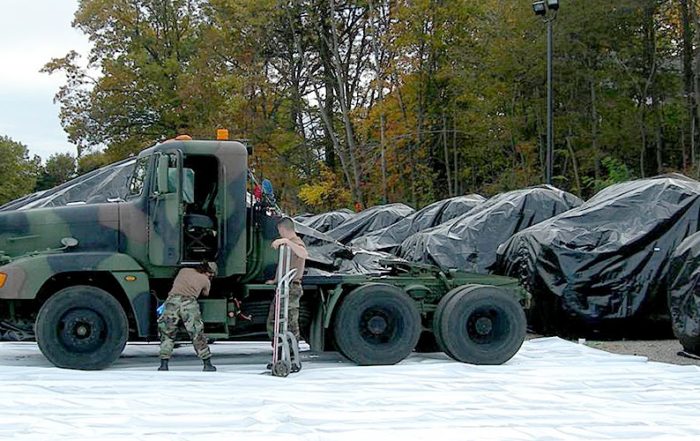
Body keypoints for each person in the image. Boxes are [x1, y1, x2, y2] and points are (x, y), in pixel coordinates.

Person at [158, 261, 218, 372]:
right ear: (210, 273)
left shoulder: (184, 270)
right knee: (196, 333)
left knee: (167, 333)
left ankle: (164, 364)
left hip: (172, 302)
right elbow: (205, 294)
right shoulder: (205, 280)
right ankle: (207, 364)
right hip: (189, 303)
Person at [266, 217, 308, 343]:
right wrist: (275, 280)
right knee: (275, 320)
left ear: (283, 229)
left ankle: (291, 354)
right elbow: (283, 265)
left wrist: (286, 241)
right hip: (283, 286)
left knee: (289, 322)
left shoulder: (296, 242)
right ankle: (279, 352)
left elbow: (304, 254)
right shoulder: (286, 245)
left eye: (280, 231)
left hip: (291, 287)